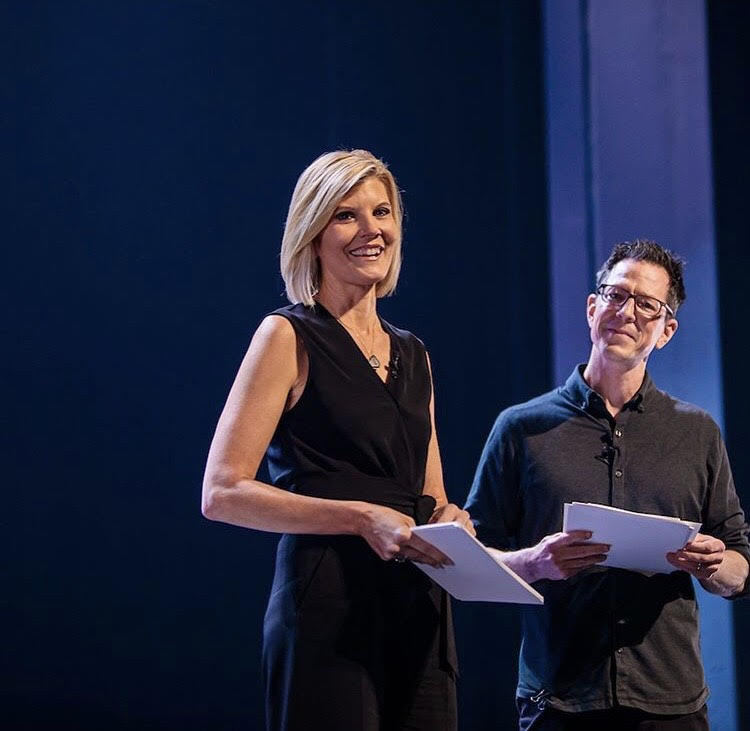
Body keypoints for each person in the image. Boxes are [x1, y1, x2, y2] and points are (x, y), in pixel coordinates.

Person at [202, 149, 471, 731]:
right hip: (329, 611)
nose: (371, 230)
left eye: (382, 212)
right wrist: (357, 517)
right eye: (347, 215)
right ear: (313, 234)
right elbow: (222, 493)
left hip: (419, 607)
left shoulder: (415, 354)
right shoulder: (286, 335)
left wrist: (453, 520)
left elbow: (431, 498)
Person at [465, 240, 750, 730]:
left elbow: (740, 564)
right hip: (558, 701)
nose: (627, 312)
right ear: (592, 308)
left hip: (671, 703)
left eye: (647, 304)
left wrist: (714, 565)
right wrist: (533, 562)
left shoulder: (697, 431)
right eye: (616, 295)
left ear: (666, 331)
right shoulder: (521, 428)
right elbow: (471, 559)